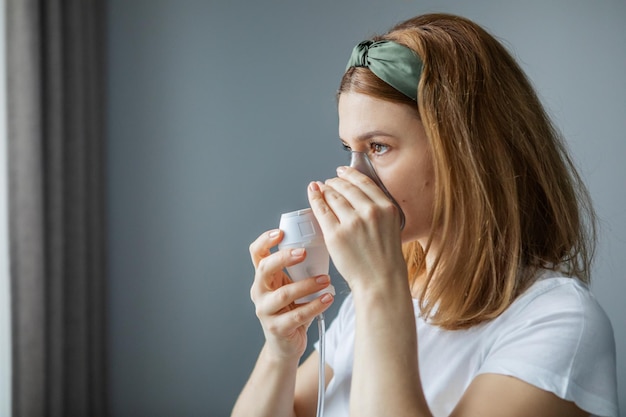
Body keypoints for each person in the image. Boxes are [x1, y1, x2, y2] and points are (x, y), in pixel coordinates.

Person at [231, 13, 619, 417]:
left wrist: (378, 290)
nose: (351, 176)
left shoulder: (558, 323)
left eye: (378, 147)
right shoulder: (375, 303)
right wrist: (280, 351)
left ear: (465, 152)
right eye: (349, 150)